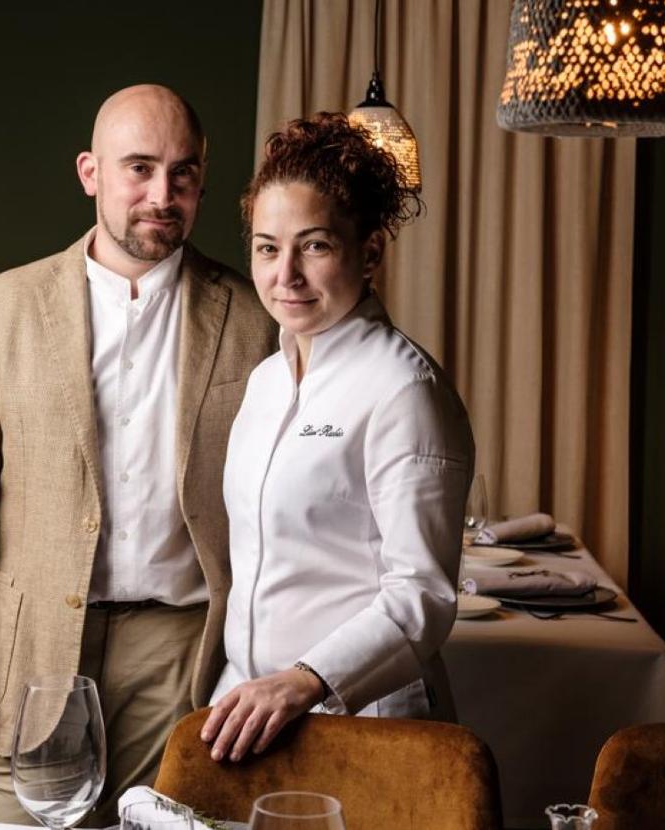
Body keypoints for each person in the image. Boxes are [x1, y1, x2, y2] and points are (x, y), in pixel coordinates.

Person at [0, 84, 277, 824]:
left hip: (183, 650)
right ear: (90, 172)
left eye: (182, 173)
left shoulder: (256, 316)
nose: (160, 193)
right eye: (138, 168)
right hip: (29, 644)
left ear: (203, 180)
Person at [201, 112, 475, 763]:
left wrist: (303, 682)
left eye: (315, 245)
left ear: (370, 251)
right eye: (268, 248)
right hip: (251, 709)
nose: (285, 274)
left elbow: (422, 597)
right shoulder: (265, 381)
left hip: (361, 716)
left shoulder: (403, 388)